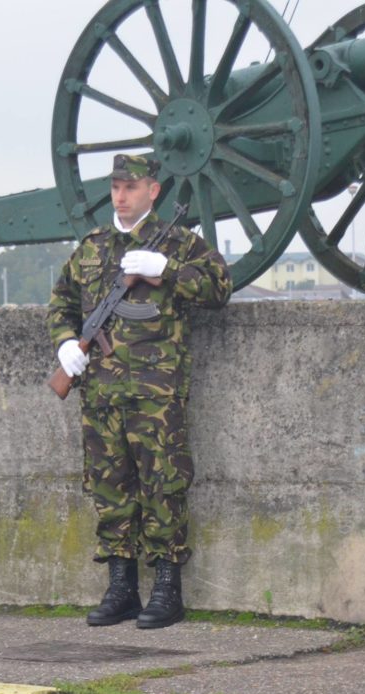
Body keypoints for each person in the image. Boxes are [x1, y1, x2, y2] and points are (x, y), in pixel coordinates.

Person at [48, 154, 231, 629]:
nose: (121, 195)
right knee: (111, 490)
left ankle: (168, 591)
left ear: (154, 190)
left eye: (131, 187)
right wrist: (68, 341)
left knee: (163, 487)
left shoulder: (178, 243)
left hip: (157, 394)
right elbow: (61, 302)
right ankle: (121, 589)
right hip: (102, 395)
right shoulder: (90, 248)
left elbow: (219, 287)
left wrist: (166, 270)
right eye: (115, 187)